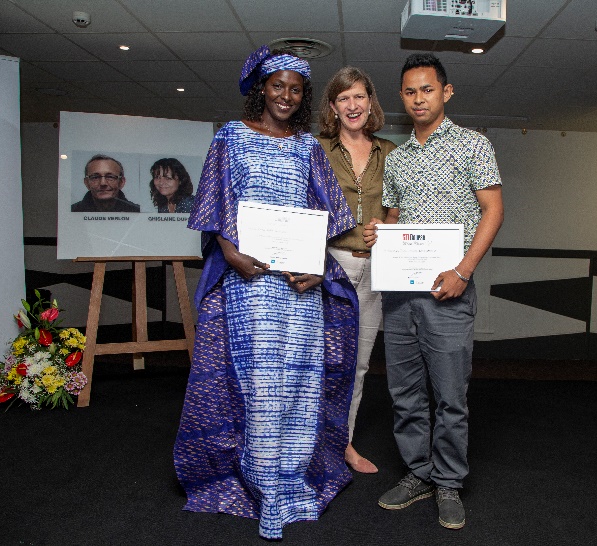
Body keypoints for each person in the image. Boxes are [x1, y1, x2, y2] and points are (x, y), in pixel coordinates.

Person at [173, 45, 358, 541]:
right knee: (259, 387)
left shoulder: (308, 148)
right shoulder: (229, 139)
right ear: (261, 88)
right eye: (278, 85)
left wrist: (318, 266)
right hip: (250, 283)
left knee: (300, 385)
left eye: (296, 89)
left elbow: (332, 218)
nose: (287, 96)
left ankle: (294, 481)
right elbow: (212, 207)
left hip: (299, 286)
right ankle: (262, 486)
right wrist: (230, 253)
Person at [363, 53, 504, 530]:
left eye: (427, 89)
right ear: (401, 97)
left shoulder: (472, 145)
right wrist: (379, 232)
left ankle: (448, 482)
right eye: (409, 91)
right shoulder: (398, 158)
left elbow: (493, 211)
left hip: (449, 292)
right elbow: (397, 221)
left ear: (446, 92)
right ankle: (418, 473)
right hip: (401, 295)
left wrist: (463, 271)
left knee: (449, 396)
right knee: (404, 393)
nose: (418, 98)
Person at [317, 67, 396, 474]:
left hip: (378, 270)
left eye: (359, 97)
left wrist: (391, 224)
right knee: (322, 361)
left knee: (359, 364)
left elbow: (404, 210)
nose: (353, 105)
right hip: (330, 267)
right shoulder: (316, 149)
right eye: (343, 98)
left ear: (370, 102)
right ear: (333, 106)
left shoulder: (391, 152)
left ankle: (343, 445)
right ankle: (310, 445)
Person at [71, 154, 140, 212]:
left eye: (110, 177)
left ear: (121, 182)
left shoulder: (137, 211)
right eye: (95, 177)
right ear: (86, 183)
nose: (103, 183)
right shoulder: (73, 211)